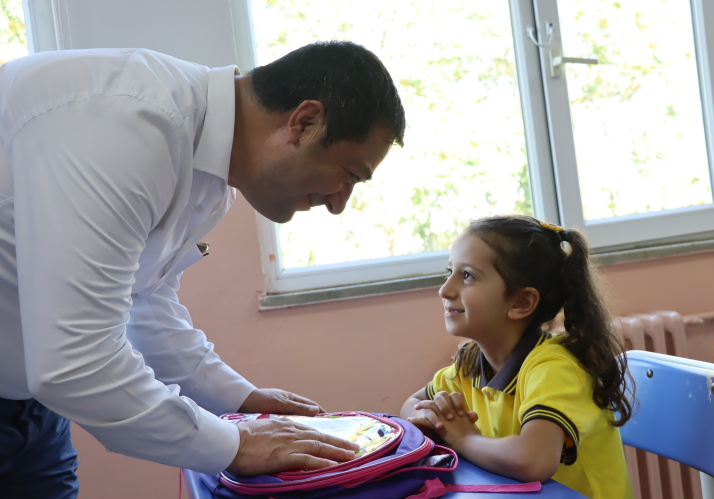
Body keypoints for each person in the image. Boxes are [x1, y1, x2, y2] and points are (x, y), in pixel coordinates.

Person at [0, 40, 405, 498]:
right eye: (350, 174)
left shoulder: (211, 175)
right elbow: (75, 362)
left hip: (30, 410)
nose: (339, 204)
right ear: (304, 123)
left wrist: (240, 400)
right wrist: (235, 444)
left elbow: (144, 299)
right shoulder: (126, 124)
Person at [400, 215, 634, 499]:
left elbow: (533, 460)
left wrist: (463, 438)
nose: (445, 290)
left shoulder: (554, 367)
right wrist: (440, 418)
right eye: (450, 272)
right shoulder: (471, 364)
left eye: (468, 275)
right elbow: (410, 406)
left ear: (521, 302)